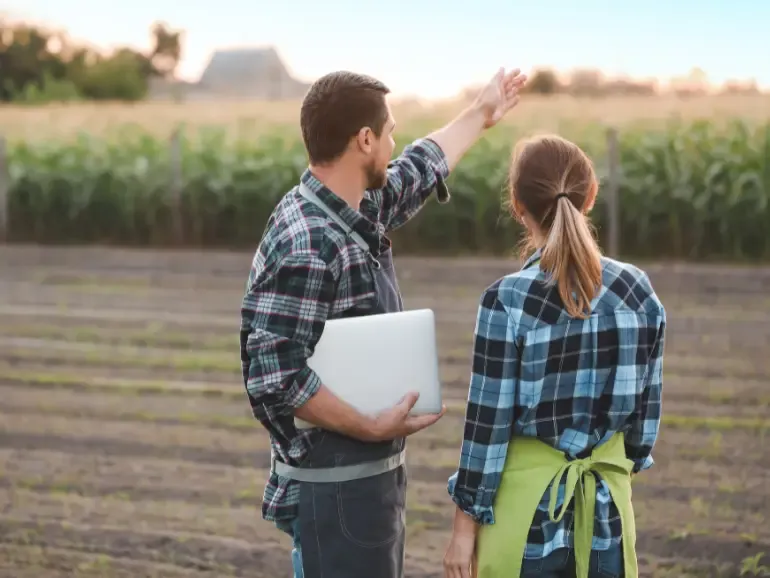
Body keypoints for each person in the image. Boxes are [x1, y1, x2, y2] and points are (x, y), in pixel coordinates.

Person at [240, 67, 528, 578]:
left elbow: (419, 167)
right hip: (338, 490)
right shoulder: (309, 242)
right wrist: (370, 425)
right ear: (364, 139)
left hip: (361, 484)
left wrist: (483, 112)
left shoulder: (349, 208)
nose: (396, 142)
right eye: (390, 131)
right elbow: (273, 376)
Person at [443, 134, 666, 578]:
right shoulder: (638, 292)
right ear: (591, 197)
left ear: (517, 204)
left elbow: (486, 430)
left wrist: (463, 532)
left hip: (525, 525)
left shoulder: (507, 301)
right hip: (606, 519)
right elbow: (643, 430)